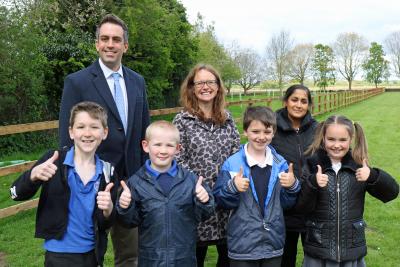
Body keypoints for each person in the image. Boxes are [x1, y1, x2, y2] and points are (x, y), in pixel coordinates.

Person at [58, 14, 150, 266]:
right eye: (105, 39)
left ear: (125, 46)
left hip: (129, 182)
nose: (111, 44)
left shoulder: (137, 82)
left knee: (129, 254)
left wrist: (144, 176)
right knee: (90, 253)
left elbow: (144, 133)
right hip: (90, 182)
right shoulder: (77, 82)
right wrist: (68, 181)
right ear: (97, 44)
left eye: (116, 39)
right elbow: (66, 136)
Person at [10, 101, 118, 267]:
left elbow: (106, 223)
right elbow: (15, 193)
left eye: (94, 127)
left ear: (104, 132)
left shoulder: (108, 171)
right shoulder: (54, 160)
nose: (87, 133)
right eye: (80, 127)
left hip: (93, 254)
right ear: (71, 132)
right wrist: (32, 176)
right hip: (58, 254)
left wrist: (108, 209)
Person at [296, 115, 399, 266]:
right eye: (331, 139)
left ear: (351, 139)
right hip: (319, 249)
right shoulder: (313, 165)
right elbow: (301, 207)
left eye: (342, 140)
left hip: (351, 249)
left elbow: (392, 193)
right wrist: (313, 183)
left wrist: (372, 175)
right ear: (323, 138)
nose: (336, 145)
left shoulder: (358, 166)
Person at [116, 120, 215, 266]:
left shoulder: (191, 181)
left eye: (169, 145)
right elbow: (129, 221)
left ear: (178, 148)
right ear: (146, 146)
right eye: (157, 144)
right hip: (151, 259)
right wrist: (125, 207)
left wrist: (204, 201)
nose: (163, 150)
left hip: (184, 258)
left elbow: (204, 215)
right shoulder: (135, 183)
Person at [213, 106, 301, 267]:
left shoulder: (280, 163)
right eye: (256, 131)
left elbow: (286, 204)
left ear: (273, 132)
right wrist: (232, 187)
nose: (261, 137)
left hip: (272, 242)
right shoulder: (232, 164)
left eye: (267, 132)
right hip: (242, 245)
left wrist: (292, 186)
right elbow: (220, 201)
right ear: (245, 131)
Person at [172, 64, 240, 266]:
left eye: (210, 82)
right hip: (195, 201)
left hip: (225, 201)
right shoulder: (182, 120)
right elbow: (177, 158)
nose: (205, 86)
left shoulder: (227, 120)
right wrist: (198, 186)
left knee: (228, 257)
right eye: (199, 82)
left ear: (218, 87)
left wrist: (230, 184)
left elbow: (236, 155)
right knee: (195, 258)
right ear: (192, 88)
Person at [270, 84, 318, 267]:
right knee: (284, 258)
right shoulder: (272, 128)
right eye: (294, 99)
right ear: (285, 101)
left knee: (313, 258)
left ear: (309, 105)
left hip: (311, 206)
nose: (298, 105)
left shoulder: (317, 129)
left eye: (304, 101)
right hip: (283, 207)